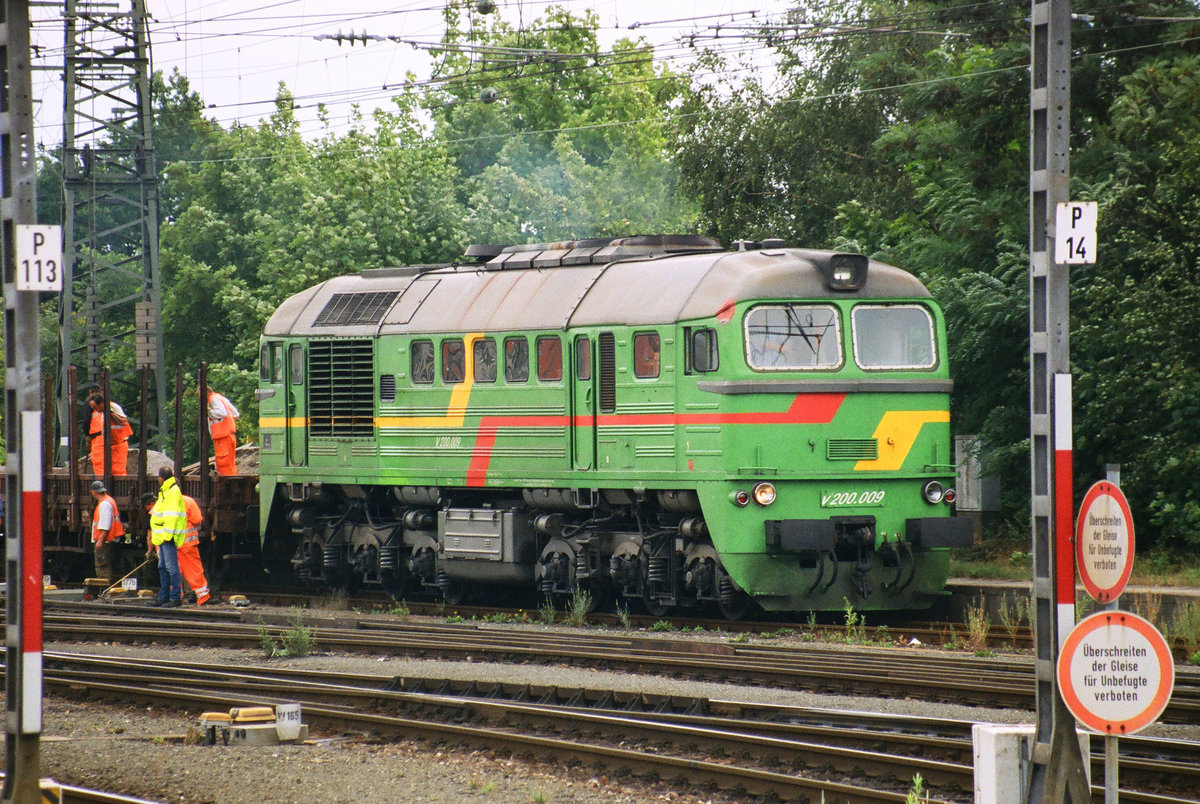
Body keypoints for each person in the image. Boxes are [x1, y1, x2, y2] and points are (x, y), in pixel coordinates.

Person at [143, 467, 186, 607]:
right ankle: (164, 596)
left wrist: (167, 535)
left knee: (171, 567)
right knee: (163, 566)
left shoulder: (172, 491)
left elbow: (171, 516)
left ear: (161, 478)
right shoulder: (166, 491)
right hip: (162, 536)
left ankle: (175, 598)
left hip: (167, 536)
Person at [87, 392, 132, 476]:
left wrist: (110, 413)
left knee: (118, 471)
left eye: (96, 407)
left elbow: (123, 422)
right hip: (111, 443)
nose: (96, 410)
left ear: (101, 403)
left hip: (119, 443)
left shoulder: (113, 407)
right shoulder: (102, 414)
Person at [89, 480, 124, 582]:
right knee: (104, 566)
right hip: (107, 539)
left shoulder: (104, 504)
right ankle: (105, 586)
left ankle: (104, 588)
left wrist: (100, 541)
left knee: (102, 567)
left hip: (104, 541)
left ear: (94, 492)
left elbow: (105, 525)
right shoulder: (108, 501)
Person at [179, 494, 211, 605]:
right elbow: (197, 519)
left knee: (175, 570)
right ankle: (202, 597)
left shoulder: (165, 502)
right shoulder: (188, 501)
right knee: (194, 570)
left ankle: (176, 597)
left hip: (171, 543)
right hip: (187, 542)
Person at [205, 388, 240, 476]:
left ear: (206, 393)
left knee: (223, 463)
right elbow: (236, 414)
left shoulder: (213, 400)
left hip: (221, 436)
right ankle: (232, 478)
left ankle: (226, 481)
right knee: (230, 463)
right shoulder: (222, 398)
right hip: (229, 435)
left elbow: (222, 413)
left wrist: (208, 412)